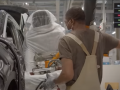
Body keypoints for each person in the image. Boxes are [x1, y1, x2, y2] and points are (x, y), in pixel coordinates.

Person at [41, 7, 120, 90]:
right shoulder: (100, 36)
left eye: (65, 21)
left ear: (71, 21)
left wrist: (53, 82)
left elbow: (68, 74)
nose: (65, 24)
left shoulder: (65, 40)